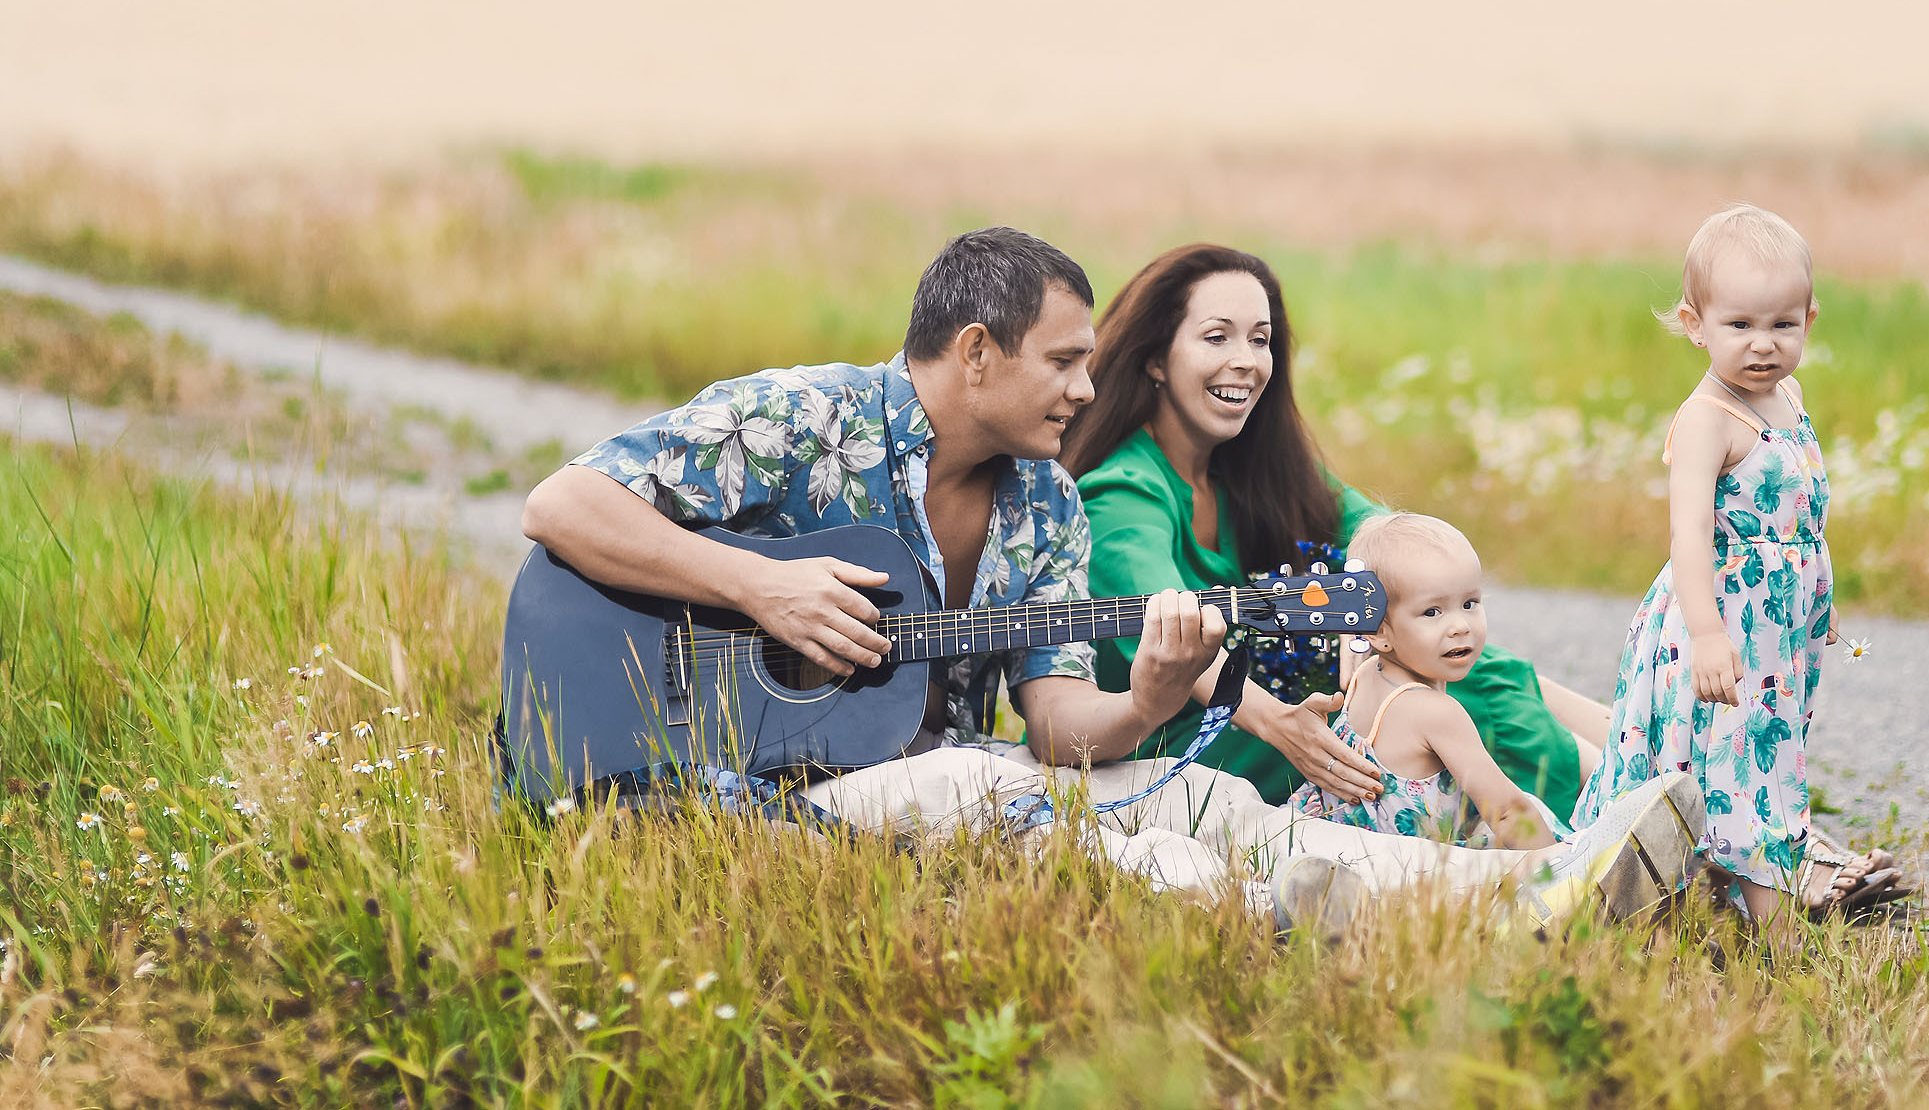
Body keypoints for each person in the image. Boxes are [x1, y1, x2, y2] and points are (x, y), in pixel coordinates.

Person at [520, 226, 1694, 931]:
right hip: (689, 784)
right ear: (976, 354)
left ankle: (1515, 894)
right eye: (1065, 361)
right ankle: (1358, 911)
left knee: (1194, 803)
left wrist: (1146, 697)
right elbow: (562, 503)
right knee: (1028, 806)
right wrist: (756, 588)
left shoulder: (1046, 507)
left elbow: (1058, 721)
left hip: (887, 780)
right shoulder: (800, 415)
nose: (1089, 389)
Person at [1064, 245, 1605, 819]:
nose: (1246, 359)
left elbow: (1377, 529)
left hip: (1279, 706)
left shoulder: (1247, 467)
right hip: (1201, 736)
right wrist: (1281, 723)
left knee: (1443, 652)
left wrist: (1357, 603)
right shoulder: (1122, 492)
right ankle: (1605, 808)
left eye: (1260, 339)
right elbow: (1176, 635)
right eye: (1217, 337)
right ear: (1156, 359)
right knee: (1427, 688)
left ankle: (1633, 763)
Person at [1572, 204, 1901, 947]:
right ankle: (1767, 934)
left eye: (1783, 324)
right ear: (1696, 323)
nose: (1763, 344)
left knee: (1766, 751)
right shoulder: (1707, 419)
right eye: (1740, 325)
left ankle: (1719, 901)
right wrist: (1708, 631)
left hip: (1776, 629)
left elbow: (1800, 519)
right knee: (1743, 766)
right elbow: (1688, 534)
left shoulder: (1790, 399)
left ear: (1810, 319)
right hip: (1716, 628)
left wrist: (1818, 601)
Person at [1287, 513, 1688, 854]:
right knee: (1530, 810)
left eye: (1469, 603)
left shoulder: (1363, 678)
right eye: (1432, 612)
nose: (1460, 625)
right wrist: (1563, 877)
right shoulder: (1434, 711)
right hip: (1431, 872)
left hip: (1367, 852)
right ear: (1377, 631)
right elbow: (1506, 811)